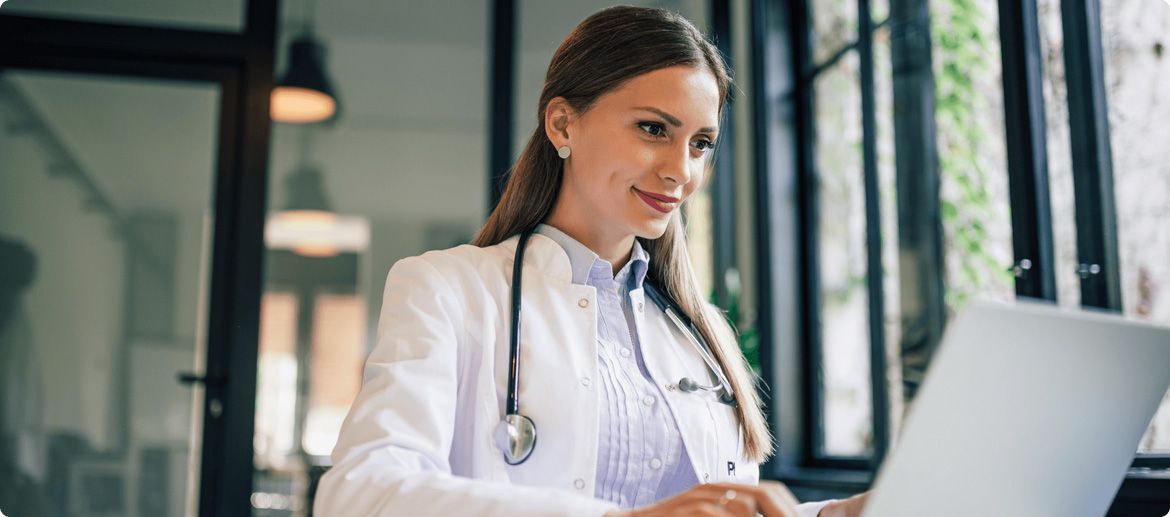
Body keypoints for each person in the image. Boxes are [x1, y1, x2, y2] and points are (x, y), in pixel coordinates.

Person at [314, 6, 868, 516]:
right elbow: (361, 493)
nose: (682, 170)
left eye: (701, 143)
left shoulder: (700, 334)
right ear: (562, 125)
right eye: (654, 129)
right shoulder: (447, 289)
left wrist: (832, 514)